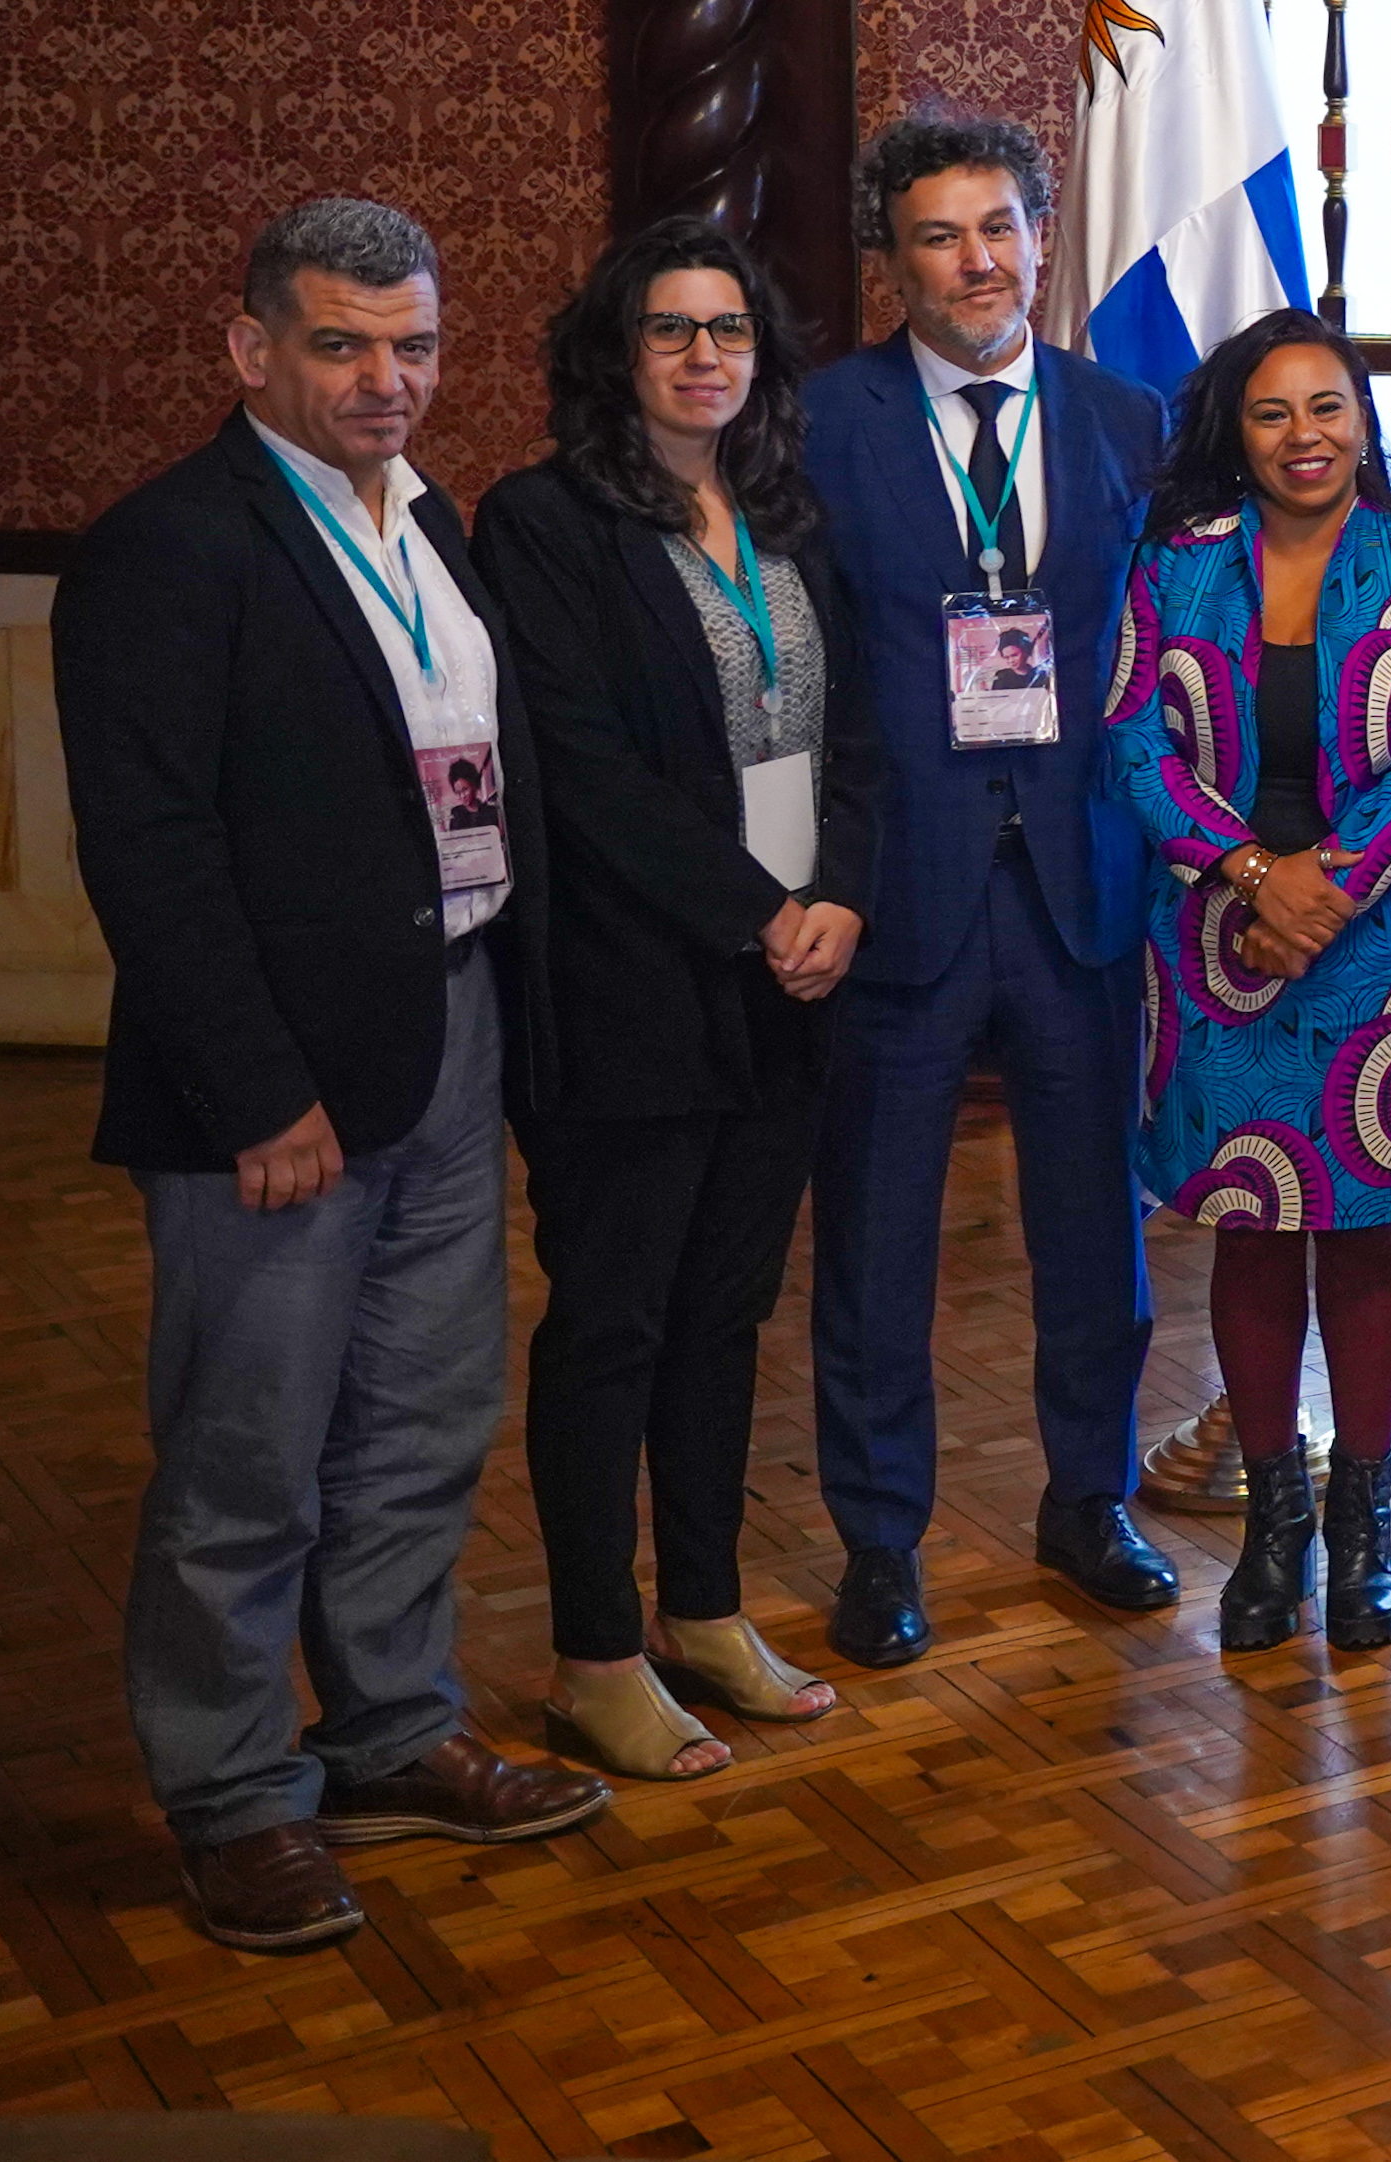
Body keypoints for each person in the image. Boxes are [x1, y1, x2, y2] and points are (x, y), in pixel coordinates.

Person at [61, 198, 609, 1953]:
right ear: (251, 350)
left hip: (448, 1035)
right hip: (277, 1091)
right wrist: (253, 1092)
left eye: (418, 345)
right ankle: (233, 1796)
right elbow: (150, 849)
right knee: (246, 1452)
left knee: (421, 1419)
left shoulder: (430, 520)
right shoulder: (172, 545)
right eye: (343, 344)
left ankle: (387, 1728)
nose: (390, 380)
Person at [475, 219, 880, 1780]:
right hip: (637, 986)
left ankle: (705, 1609)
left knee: (725, 1312)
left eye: (729, 328)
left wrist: (835, 893)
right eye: (669, 329)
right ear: (615, 352)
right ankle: (594, 1649)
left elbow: (856, 737)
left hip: (795, 979)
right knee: (614, 1324)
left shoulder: (786, 514)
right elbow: (580, 770)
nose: (705, 354)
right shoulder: (547, 522)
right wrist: (756, 910)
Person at [798, 106, 1177, 1664]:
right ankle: (880, 1541)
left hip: (1084, 876)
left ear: (1039, 235)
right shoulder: (818, 422)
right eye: (941, 234)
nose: (977, 260)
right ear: (891, 257)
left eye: (1001, 227)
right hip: (902, 885)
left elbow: (1165, 651)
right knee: (878, 1232)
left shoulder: (1125, 416)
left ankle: (1089, 1498)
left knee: (1095, 1223)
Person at [1104, 312, 1391, 1653]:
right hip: (1218, 939)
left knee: (1362, 1231)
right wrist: (1257, 881)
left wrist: (1321, 888)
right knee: (1256, 1231)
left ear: (1366, 424)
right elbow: (1140, 754)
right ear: (1238, 432)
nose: (1305, 434)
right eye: (1273, 413)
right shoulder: (1174, 573)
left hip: (1376, 947)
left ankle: (1365, 1528)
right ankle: (1275, 1522)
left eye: (1329, 407)